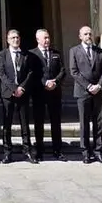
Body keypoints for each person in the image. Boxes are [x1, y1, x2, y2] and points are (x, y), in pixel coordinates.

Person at [69, 25, 102, 163]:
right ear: (80, 36)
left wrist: (99, 85)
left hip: (98, 92)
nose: (88, 36)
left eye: (90, 34)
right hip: (82, 92)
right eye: (85, 34)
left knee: (99, 122)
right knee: (84, 122)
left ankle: (98, 150)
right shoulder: (74, 51)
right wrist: (88, 86)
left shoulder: (100, 51)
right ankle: (85, 151)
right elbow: (74, 71)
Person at [0, 29, 36, 163]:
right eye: (13, 38)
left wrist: (22, 87)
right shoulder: (2, 54)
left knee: (25, 124)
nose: (15, 40)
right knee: (7, 125)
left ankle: (27, 152)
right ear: (8, 40)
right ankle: (7, 152)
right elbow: (2, 74)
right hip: (8, 94)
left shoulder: (26, 55)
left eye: (17, 38)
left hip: (23, 93)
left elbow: (30, 73)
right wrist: (14, 88)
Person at [28, 28, 65, 160]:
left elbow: (62, 70)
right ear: (38, 39)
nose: (47, 40)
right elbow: (32, 73)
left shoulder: (56, 53)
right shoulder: (32, 54)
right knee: (39, 122)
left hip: (54, 92)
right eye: (45, 38)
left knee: (56, 121)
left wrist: (55, 81)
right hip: (39, 92)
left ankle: (57, 149)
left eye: (48, 38)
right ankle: (39, 150)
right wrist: (45, 83)